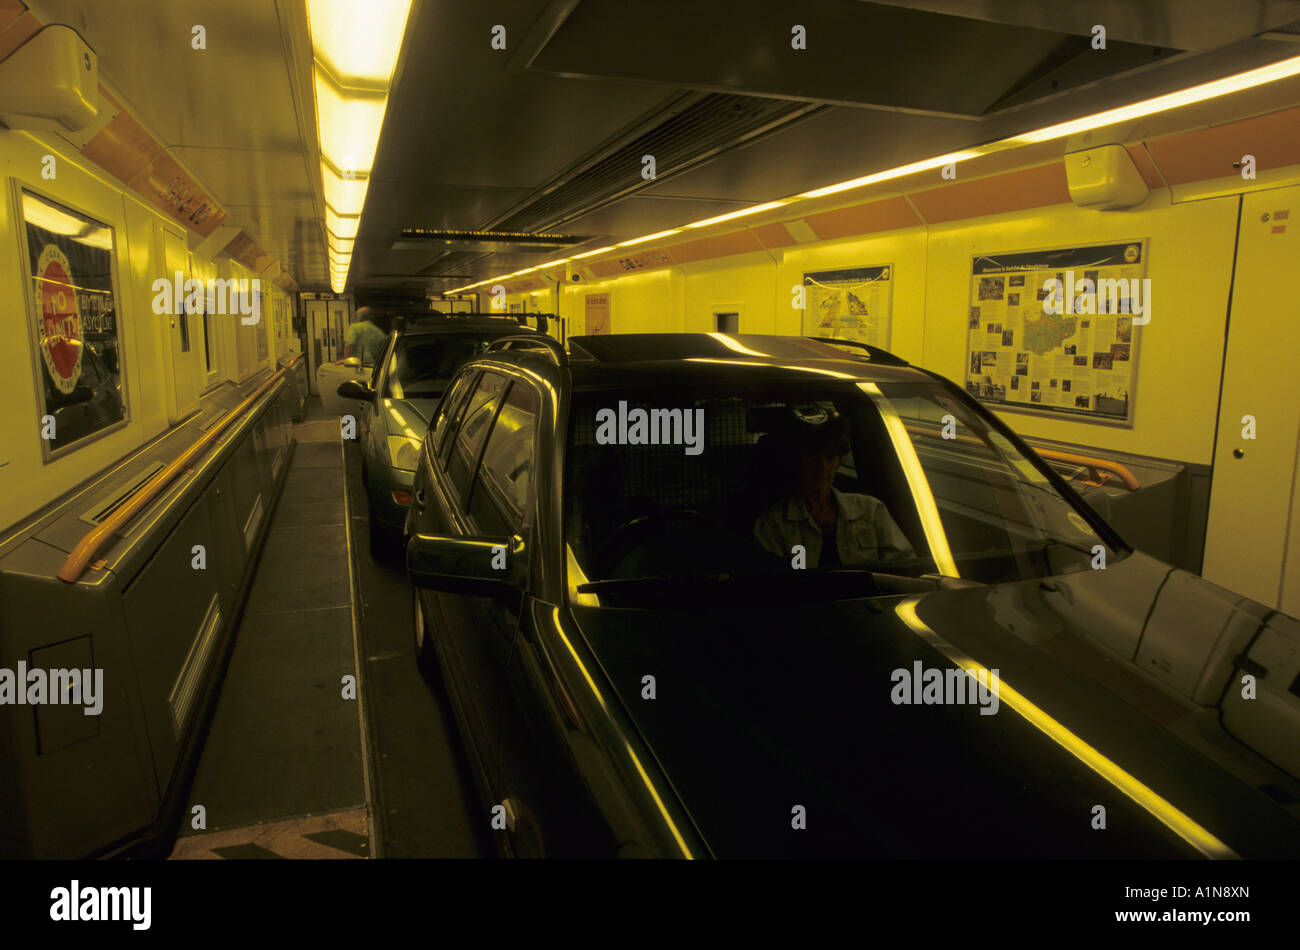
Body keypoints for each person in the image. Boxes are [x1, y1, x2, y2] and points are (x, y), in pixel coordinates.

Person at [753, 412, 914, 567]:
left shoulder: (870, 510)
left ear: (839, 461)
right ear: (795, 462)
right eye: (811, 457)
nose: (822, 467)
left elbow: (905, 566)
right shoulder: (773, 525)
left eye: (830, 457)